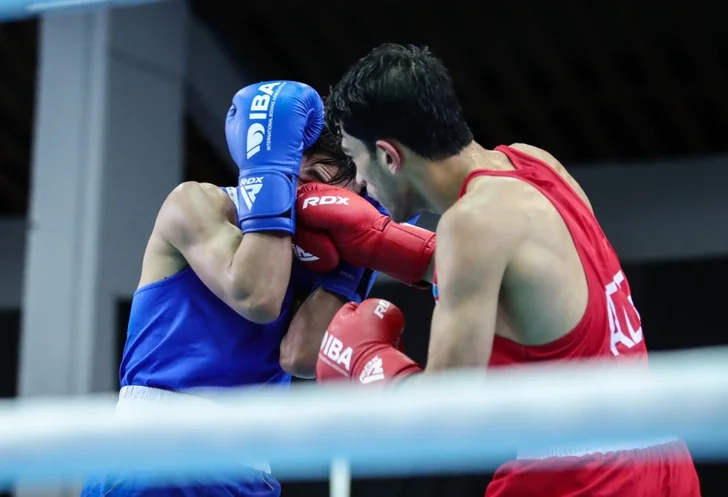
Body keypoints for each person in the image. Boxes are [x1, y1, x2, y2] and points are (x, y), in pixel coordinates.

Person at [292, 44, 702, 496]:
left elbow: (445, 417)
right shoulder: (534, 163)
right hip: (661, 457)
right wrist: (380, 243)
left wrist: (368, 363)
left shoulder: (469, 226)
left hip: (580, 478)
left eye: (356, 158)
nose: (361, 181)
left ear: (389, 156)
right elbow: (529, 281)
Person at [81, 81, 380, 497]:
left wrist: (360, 257)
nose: (311, 199)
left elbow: (301, 358)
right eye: (306, 178)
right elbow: (257, 296)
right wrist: (271, 181)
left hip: (248, 466)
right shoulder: (198, 204)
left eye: (333, 194)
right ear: (283, 160)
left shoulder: (320, 260)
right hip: (154, 451)